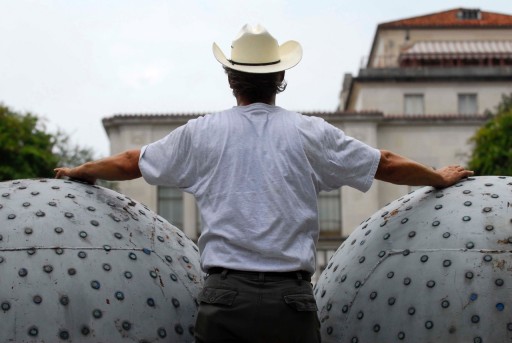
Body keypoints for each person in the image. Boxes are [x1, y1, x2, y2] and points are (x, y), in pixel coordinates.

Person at [54, 24, 474, 343]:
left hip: (223, 297)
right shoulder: (310, 133)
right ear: (280, 80)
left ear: (230, 78)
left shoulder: (203, 133)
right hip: (289, 302)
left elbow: (132, 162)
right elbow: (385, 163)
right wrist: (438, 177)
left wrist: (82, 170)